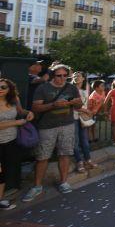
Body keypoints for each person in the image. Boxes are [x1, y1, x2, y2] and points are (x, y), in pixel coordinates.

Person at [23, 64, 83, 202]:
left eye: (64, 76)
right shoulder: (43, 88)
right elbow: (35, 107)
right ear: (52, 75)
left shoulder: (71, 88)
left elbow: (79, 105)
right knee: (43, 156)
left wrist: (76, 102)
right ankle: (37, 186)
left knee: (65, 154)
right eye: (58, 75)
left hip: (67, 125)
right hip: (47, 126)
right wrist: (53, 105)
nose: (62, 78)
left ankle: (63, 182)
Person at [0, 78, 34, 210]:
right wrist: (16, 123)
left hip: (11, 141)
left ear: (9, 89)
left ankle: (1, 199)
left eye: (3, 87)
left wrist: (28, 113)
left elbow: (20, 112)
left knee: (4, 172)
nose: (0, 89)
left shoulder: (14, 100)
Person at [71, 72, 97, 173]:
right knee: (75, 141)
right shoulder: (70, 89)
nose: (76, 77)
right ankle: (79, 162)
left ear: (83, 78)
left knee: (85, 140)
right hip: (73, 116)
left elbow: (86, 102)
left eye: (78, 76)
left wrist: (89, 110)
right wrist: (86, 111)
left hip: (83, 117)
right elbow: (72, 104)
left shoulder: (86, 87)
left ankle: (88, 160)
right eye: (74, 76)